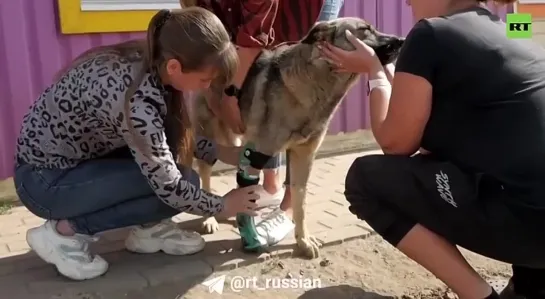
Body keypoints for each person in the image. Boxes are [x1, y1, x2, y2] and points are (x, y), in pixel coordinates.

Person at [12, 7, 263, 281]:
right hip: (43, 181)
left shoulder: (146, 62)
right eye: (205, 79)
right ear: (175, 67)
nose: (206, 87)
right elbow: (169, 187)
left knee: (183, 180)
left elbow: (166, 137)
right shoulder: (134, 101)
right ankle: (63, 234)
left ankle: (149, 228)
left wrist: (222, 152)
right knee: (182, 185)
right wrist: (224, 205)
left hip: (75, 164)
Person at [321, 0, 545, 298]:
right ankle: (531, 287)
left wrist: (374, 74)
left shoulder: (430, 34)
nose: (407, 1)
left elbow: (395, 142)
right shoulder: (508, 31)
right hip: (533, 212)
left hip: (529, 226)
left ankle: (479, 296)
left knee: (365, 180)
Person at [183, 0, 344, 249]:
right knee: (231, 125)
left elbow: (254, 38)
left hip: (295, 15)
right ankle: (221, 194)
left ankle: (290, 211)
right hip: (238, 42)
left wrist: (231, 93)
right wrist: (218, 94)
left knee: (277, 110)